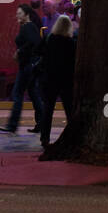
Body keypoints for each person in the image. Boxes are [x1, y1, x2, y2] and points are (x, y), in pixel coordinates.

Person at [0, 3, 45, 134]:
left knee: (17, 94)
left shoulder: (27, 27)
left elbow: (34, 42)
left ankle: (12, 125)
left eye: (19, 13)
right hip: (31, 66)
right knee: (33, 94)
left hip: (26, 66)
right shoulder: (31, 27)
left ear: (26, 15)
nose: (17, 16)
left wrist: (19, 51)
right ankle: (42, 123)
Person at [39, 14, 76, 148]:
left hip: (50, 78)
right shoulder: (71, 42)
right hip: (66, 79)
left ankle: (44, 138)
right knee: (69, 109)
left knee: (48, 109)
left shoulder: (50, 39)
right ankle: (73, 136)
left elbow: (43, 56)